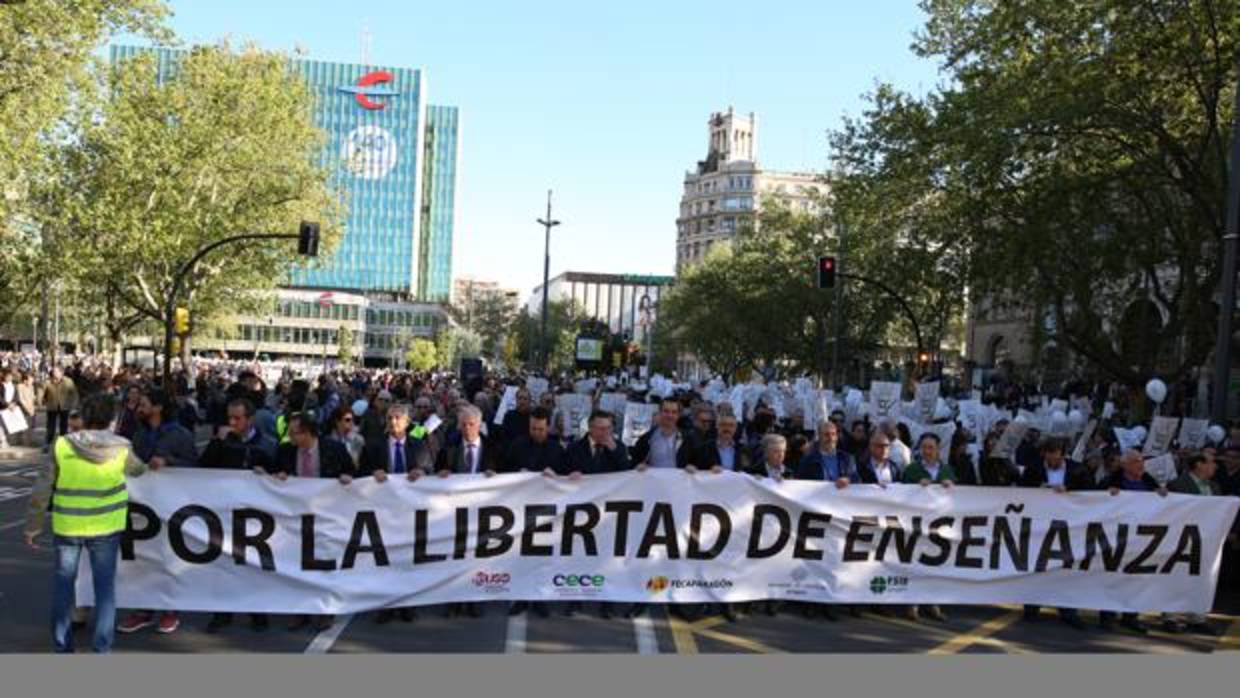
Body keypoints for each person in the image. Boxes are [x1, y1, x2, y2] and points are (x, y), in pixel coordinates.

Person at [24, 393, 152, 653]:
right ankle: (101, 648)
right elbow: (139, 470)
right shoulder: (121, 447)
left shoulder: (62, 445)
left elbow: (42, 489)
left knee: (63, 586)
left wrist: (33, 526)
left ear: (83, 417)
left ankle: (63, 646)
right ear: (111, 419)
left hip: (68, 526)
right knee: (104, 590)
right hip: (106, 527)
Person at [116, 389, 199, 636]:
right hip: (143, 507)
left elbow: (196, 467)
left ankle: (170, 610)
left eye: (144, 404)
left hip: (172, 506)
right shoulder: (140, 434)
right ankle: (143, 609)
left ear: (158, 408)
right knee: (143, 558)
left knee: (169, 558)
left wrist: (170, 463)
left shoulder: (181, 435)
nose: (139, 407)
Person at [197, 398, 278, 633]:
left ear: (250, 420)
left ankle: (257, 612)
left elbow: (279, 475)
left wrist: (268, 473)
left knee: (253, 563)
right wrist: (216, 443)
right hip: (224, 511)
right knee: (224, 562)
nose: (232, 423)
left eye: (237, 418)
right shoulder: (222, 441)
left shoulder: (266, 444)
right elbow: (203, 469)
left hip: (255, 515)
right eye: (229, 418)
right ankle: (222, 612)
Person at [275, 412, 356, 632]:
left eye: (295, 433)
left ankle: (325, 610)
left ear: (309, 432)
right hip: (296, 516)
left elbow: (352, 472)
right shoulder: (286, 451)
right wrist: (276, 475)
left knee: (325, 562)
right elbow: (272, 473)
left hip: (328, 515)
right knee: (297, 563)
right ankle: (301, 610)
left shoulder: (334, 449)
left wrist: (347, 478)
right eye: (289, 433)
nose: (291, 437)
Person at [360, 403, 430, 624]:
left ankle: (407, 603)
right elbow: (360, 473)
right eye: (390, 418)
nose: (393, 422)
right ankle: (386, 604)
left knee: (408, 559)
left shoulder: (419, 446)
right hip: (383, 512)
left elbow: (430, 470)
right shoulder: (373, 447)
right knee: (385, 559)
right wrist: (373, 472)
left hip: (410, 512)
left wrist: (423, 472)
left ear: (407, 422)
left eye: (398, 418)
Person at [564, 411, 631, 618]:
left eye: (609, 429)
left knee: (607, 559)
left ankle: (607, 601)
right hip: (581, 515)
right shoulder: (575, 448)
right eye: (601, 428)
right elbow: (562, 471)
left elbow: (629, 475)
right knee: (578, 557)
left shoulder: (618, 448)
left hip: (609, 515)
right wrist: (569, 476)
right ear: (590, 428)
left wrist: (616, 452)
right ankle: (574, 598)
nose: (605, 433)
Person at [1018, 438, 1088, 630]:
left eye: (1055, 454)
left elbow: (1091, 491)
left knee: (1066, 566)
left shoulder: (1077, 469)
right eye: (1048, 454)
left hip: (1070, 526)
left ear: (1062, 454)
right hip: (1040, 526)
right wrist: (1039, 491)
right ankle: (1032, 607)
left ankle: (1067, 609)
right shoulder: (1033, 469)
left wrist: (1070, 491)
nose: (1051, 459)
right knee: (1037, 565)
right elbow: (1021, 491)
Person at [1098, 449, 1169, 634]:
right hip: (1117, 537)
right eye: (1137, 461)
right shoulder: (1111, 481)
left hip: (1141, 539)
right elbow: (1095, 499)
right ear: (1125, 464)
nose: (1141, 464)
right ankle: (1107, 615)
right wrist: (1107, 493)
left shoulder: (1148, 481)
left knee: (1136, 578)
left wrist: (1162, 493)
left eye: (1142, 461)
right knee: (1113, 576)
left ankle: (1130, 617)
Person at [503, 407, 565, 619]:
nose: (536, 432)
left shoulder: (557, 448)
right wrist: (517, 474)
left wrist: (556, 475)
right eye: (533, 428)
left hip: (548, 511)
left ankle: (539, 597)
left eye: (540, 428)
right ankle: (521, 596)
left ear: (548, 427)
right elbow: (504, 471)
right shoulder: (518, 445)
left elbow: (567, 476)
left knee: (542, 556)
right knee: (521, 555)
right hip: (520, 510)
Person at [1164, 454, 1222, 636]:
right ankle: (1170, 617)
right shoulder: (1177, 485)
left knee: (1202, 577)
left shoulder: (1215, 487)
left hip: (1206, 540)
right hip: (1181, 538)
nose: (1216, 467)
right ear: (1199, 464)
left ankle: (1197, 617)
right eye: (1212, 463)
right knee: (1176, 575)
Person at [901, 432, 955, 622]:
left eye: (931, 447)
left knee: (936, 566)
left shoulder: (947, 470)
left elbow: (960, 499)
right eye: (924, 447)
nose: (927, 451)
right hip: (916, 526)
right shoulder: (912, 470)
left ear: (938, 450)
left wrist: (951, 486)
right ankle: (912, 605)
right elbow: (899, 495)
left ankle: (933, 604)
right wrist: (915, 487)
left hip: (939, 528)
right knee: (915, 564)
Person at [630, 398, 692, 469]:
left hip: (679, 479)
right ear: (660, 412)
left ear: (678, 415)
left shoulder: (687, 438)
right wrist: (638, 465)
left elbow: (696, 461)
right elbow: (634, 460)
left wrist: (692, 466)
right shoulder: (647, 438)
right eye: (666, 411)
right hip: (652, 479)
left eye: (674, 412)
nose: (670, 415)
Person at [42, 367, 78, 453]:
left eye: (56, 372)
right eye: (53, 372)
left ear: (61, 373)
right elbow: (42, 392)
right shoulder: (48, 381)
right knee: (50, 427)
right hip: (52, 407)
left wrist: (73, 404)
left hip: (64, 407)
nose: (54, 373)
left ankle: (63, 445)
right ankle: (47, 444)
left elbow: (74, 394)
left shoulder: (68, 381)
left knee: (64, 427)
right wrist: (42, 401)